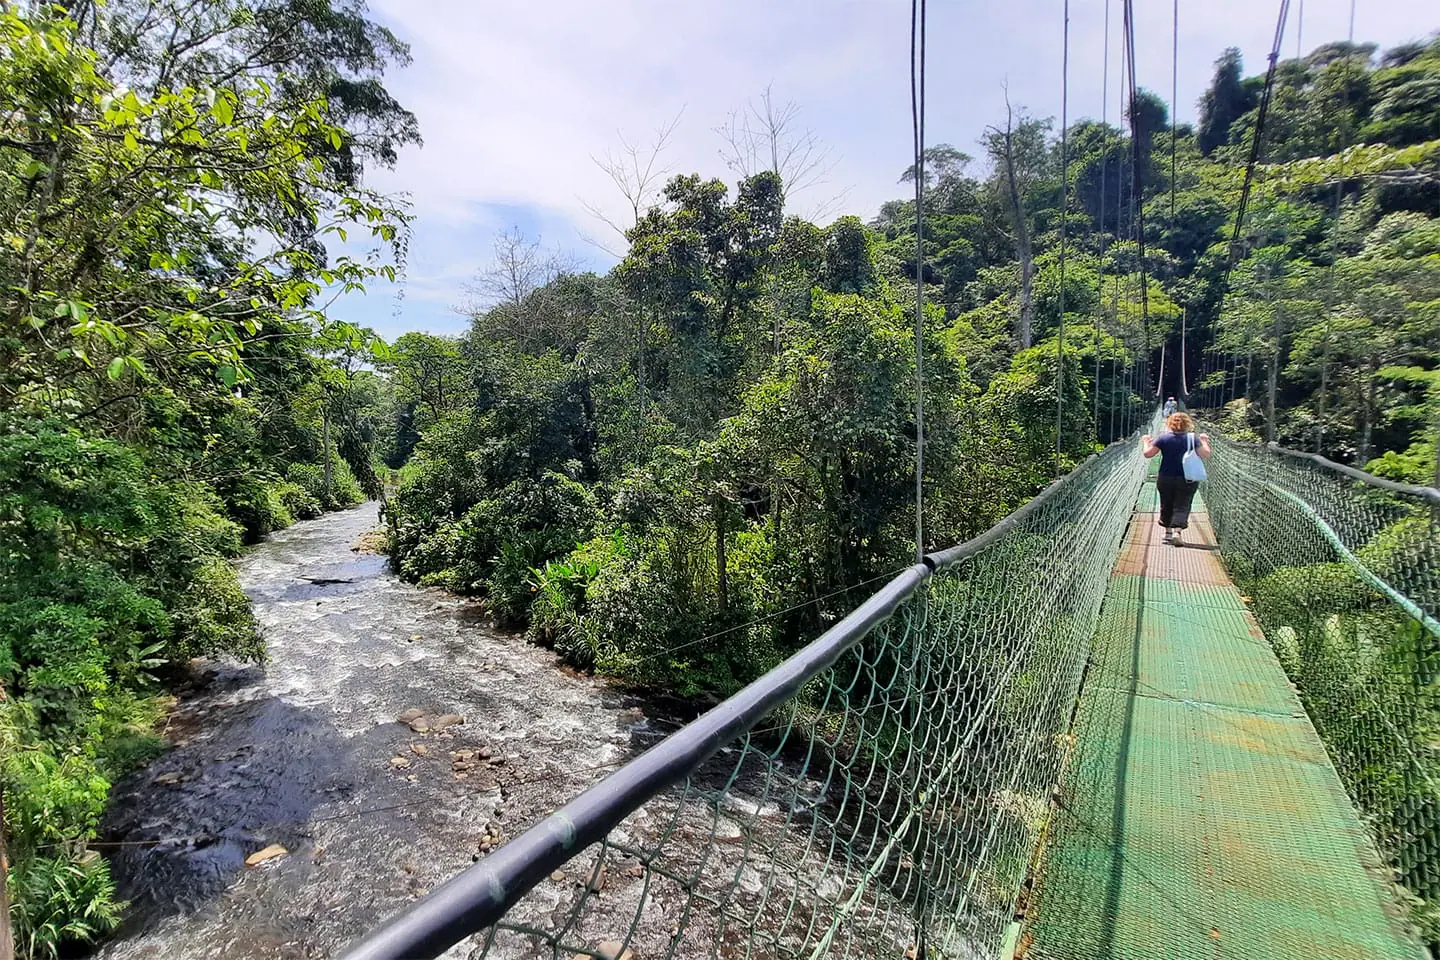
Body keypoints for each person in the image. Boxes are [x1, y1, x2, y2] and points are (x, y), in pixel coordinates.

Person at [1142, 411, 1211, 544]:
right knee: (1182, 504)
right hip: (1188, 478)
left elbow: (1148, 454)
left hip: (1166, 477)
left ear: (1169, 424)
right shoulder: (1193, 438)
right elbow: (1205, 454)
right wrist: (1204, 441)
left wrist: (1146, 441)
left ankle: (1167, 533)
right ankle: (1177, 532)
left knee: (1166, 503)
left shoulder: (1162, 438)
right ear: (1188, 424)